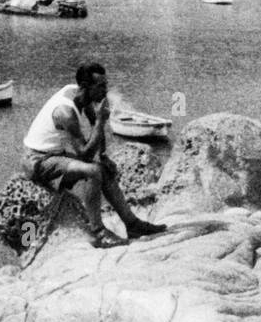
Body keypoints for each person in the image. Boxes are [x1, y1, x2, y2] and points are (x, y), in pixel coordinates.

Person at [22, 63, 167, 248]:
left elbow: (93, 131)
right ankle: (98, 232)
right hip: (37, 161)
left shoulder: (81, 95)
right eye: (100, 86)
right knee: (92, 171)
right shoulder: (65, 112)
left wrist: (103, 155)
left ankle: (132, 224)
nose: (105, 90)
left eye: (105, 85)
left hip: (54, 154)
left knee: (102, 169)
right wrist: (100, 121)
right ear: (85, 86)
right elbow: (84, 154)